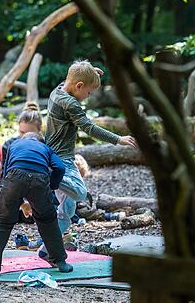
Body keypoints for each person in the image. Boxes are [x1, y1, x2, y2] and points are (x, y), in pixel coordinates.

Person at [43, 60, 137, 250]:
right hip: (61, 160)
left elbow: (72, 76)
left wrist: (89, 73)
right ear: (79, 86)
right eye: (88, 92)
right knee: (80, 192)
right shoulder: (70, 103)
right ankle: (46, 176)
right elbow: (90, 128)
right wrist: (118, 139)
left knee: (67, 211)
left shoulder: (57, 91)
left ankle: (47, 250)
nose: (88, 96)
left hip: (53, 155)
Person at [0, 133, 72, 276]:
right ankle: (61, 262)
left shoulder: (14, 144)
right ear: (41, 141)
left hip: (14, 176)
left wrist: (5, 191)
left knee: (2, 222)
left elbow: (7, 170)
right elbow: (59, 168)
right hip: (39, 178)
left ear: (24, 139)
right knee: (48, 220)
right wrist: (52, 185)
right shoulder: (45, 148)